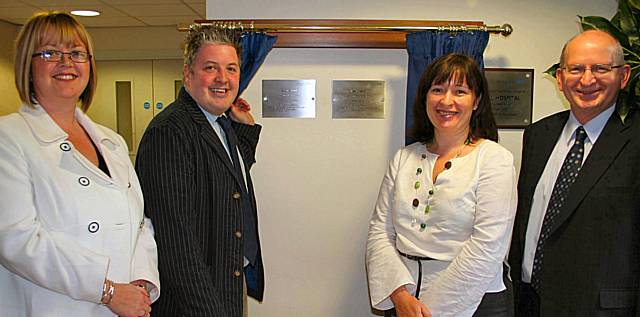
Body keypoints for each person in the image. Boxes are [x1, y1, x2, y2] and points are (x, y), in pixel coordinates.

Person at [0, 11, 159, 317]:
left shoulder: (112, 142)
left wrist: (140, 283)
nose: (66, 63)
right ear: (27, 66)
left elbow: (139, 223)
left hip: (122, 305)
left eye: (76, 53)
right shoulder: (9, 138)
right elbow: (17, 239)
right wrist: (106, 290)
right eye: (50, 53)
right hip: (54, 306)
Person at [366, 53, 517, 317]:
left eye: (460, 91)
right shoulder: (404, 157)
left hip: (475, 299)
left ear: (477, 101)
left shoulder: (494, 159)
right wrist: (400, 295)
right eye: (437, 90)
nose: (447, 101)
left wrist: (430, 310)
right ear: (425, 97)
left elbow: (488, 245)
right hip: (406, 298)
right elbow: (380, 231)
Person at [135, 24, 263, 316]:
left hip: (225, 280)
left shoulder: (218, 122)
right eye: (210, 67)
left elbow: (227, 182)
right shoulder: (170, 133)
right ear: (188, 74)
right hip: (194, 299)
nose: (223, 78)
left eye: (231, 69)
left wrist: (243, 131)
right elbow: (176, 245)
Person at [509, 29, 640, 316]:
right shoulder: (538, 135)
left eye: (601, 68)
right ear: (559, 77)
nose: (587, 79)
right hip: (529, 303)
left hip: (600, 309)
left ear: (624, 75)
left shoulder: (635, 139)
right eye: (576, 69)